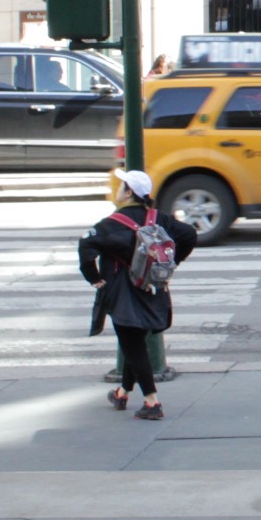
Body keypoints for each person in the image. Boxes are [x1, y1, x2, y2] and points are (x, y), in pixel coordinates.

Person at [79, 171, 196, 421]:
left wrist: (94, 278)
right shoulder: (159, 219)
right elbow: (188, 234)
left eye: (122, 185)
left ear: (129, 192)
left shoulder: (110, 224)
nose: (118, 189)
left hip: (122, 290)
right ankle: (122, 393)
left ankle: (152, 403)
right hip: (152, 287)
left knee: (131, 343)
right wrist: (171, 263)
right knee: (135, 342)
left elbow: (86, 247)